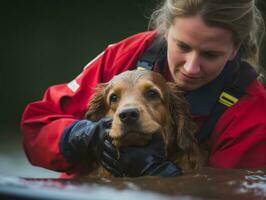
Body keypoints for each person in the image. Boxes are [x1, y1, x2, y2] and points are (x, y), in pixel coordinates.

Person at [21, 0, 266, 178]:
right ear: (166, 31)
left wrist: (160, 175)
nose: (191, 68)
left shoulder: (254, 113)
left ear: (235, 49)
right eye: (182, 46)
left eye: (210, 54)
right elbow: (36, 128)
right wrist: (81, 136)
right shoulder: (126, 55)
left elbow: (223, 192)